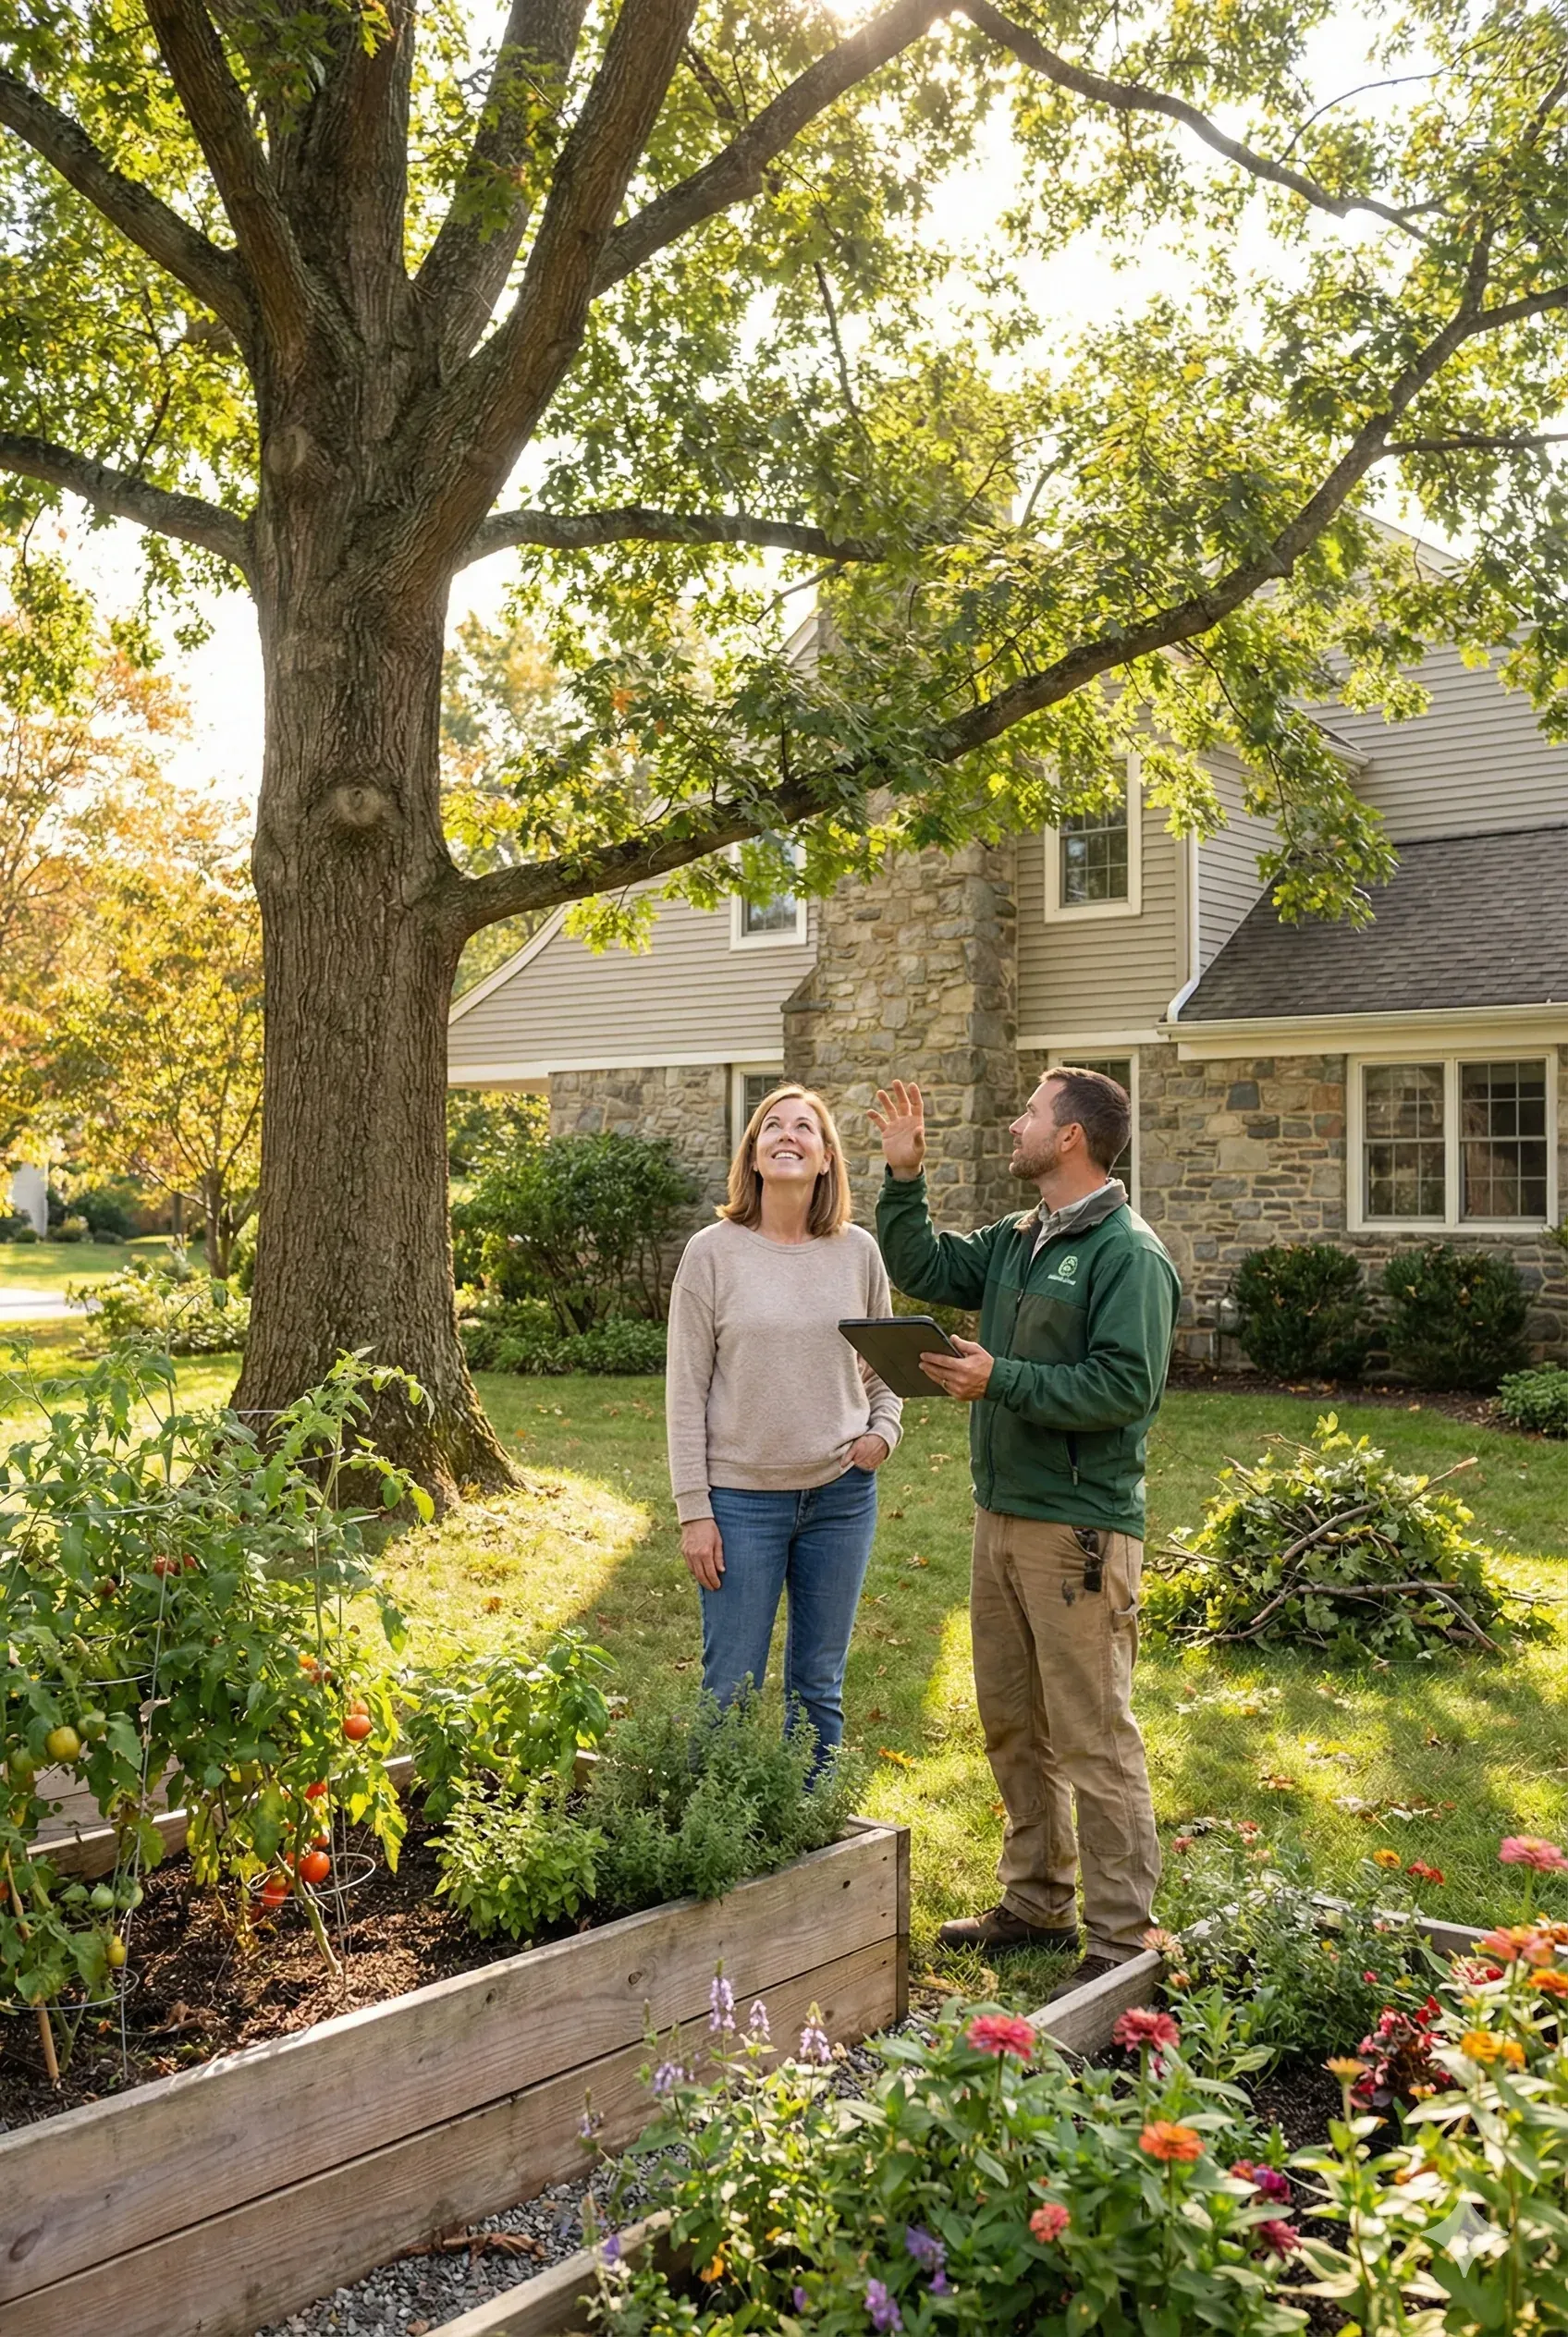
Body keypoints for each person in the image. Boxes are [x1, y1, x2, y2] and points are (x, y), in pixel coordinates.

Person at [871, 1068, 1179, 1994]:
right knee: (1012, 1721)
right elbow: (922, 1267)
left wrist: (998, 1377)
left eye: (1028, 1112)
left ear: (1072, 1135)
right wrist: (901, 1176)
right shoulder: (1016, 1239)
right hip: (997, 1516)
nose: (1013, 1123)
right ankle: (1035, 1896)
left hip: (1077, 1529)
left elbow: (1126, 1387)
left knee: (1091, 1734)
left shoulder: (1128, 1252)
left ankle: (1123, 1938)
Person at [666, 1083, 902, 1768]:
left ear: (827, 1158)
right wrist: (694, 1513)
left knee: (818, 1688)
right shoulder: (712, 1254)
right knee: (729, 1690)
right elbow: (685, 1392)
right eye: (773, 1125)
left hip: (840, 1499)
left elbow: (887, 1368)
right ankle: (722, 1856)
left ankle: (814, 1836)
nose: (788, 1134)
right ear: (755, 1154)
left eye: (806, 1127)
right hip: (739, 1505)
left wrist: (882, 1433)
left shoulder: (858, 1253)